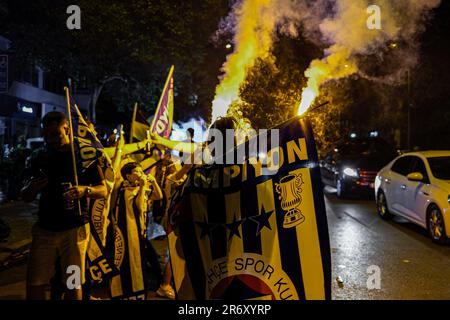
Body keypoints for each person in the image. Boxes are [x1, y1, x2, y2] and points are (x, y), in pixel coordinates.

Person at [21, 111, 108, 300]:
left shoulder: (84, 155)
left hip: (75, 232)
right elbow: (25, 196)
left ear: (66, 129)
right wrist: (32, 188)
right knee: (35, 282)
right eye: (46, 135)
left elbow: (103, 190)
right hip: (44, 230)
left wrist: (85, 191)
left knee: (73, 282)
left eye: (55, 134)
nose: (50, 140)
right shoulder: (40, 157)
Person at [110, 161, 162, 299]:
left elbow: (158, 196)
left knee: (149, 260)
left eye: (141, 171)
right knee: (137, 261)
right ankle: (136, 290)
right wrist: (144, 186)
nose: (140, 174)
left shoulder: (139, 189)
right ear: (128, 176)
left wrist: (154, 182)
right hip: (131, 234)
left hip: (141, 233)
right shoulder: (126, 192)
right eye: (137, 172)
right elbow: (139, 207)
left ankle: (153, 285)